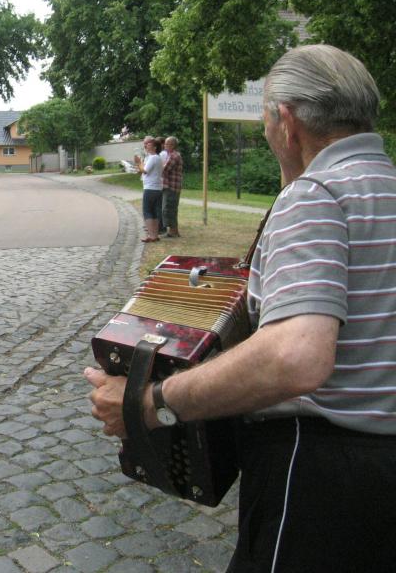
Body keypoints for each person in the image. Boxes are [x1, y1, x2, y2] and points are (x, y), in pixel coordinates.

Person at [86, 44, 396, 572]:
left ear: (286, 121)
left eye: (266, 122)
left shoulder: (317, 195)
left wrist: (147, 403)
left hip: (320, 476)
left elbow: (295, 358)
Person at [133, 136, 163, 242]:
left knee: (147, 211)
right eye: (145, 144)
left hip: (150, 188)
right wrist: (139, 166)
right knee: (154, 211)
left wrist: (138, 162)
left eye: (148, 144)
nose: (146, 146)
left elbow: (145, 170)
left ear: (155, 147)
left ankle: (151, 235)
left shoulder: (153, 157)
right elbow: (143, 170)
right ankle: (155, 235)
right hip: (157, 188)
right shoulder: (156, 157)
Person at [161, 136, 183, 238]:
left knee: (168, 208)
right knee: (170, 208)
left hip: (172, 186)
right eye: (165, 144)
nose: (164, 146)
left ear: (173, 145)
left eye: (166, 144)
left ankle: (173, 231)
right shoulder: (170, 155)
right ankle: (173, 231)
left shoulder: (174, 156)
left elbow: (165, 169)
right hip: (170, 185)